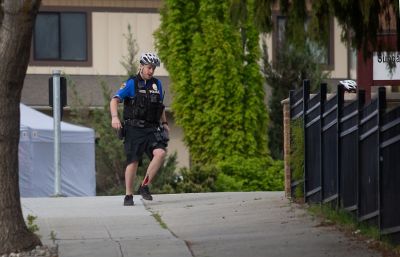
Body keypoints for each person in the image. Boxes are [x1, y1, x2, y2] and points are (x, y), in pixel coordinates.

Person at [110, 52, 169, 206]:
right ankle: (128, 195)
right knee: (133, 162)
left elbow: (161, 107)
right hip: (134, 129)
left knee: (161, 153)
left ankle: (144, 186)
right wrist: (115, 117)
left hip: (152, 128)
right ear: (141, 66)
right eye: (149, 67)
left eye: (153, 69)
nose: (151, 71)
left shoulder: (157, 84)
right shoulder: (131, 83)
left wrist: (165, 123)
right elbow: (114, 100)